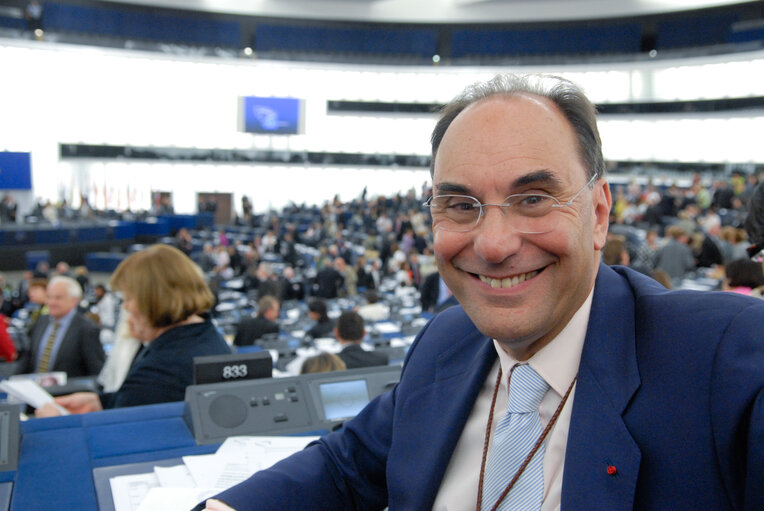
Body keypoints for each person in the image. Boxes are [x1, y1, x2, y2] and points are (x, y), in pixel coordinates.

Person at [198, 74, 764, 511]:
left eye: (535, 198)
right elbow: (347, 466)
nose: (492, 245)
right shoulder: (448, 340)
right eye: (461, 205)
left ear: (597, 214)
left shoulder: (722, 360)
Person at [36, 244, 231, 415]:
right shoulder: (205, 337)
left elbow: (119, 437)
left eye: (129, 298)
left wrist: (58, 424)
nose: (126, 307)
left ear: (152, 300)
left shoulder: (159, 371)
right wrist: (101, 402)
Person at [22, 276, 104, 377]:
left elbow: (96, 371)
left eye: (58, 297)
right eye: (49, 297)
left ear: (74, 300)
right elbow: (27, 359)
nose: (51, 302)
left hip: (66, 390)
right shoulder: (41, 321)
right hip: (33, 388)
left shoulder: (87, 329)